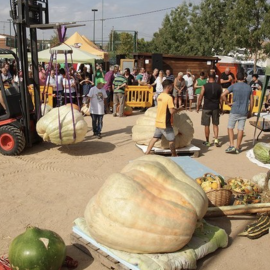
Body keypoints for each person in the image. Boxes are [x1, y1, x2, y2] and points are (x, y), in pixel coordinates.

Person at [145, 79, 184, 157]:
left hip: (159, 121)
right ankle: (174, 155)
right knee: (172, 140)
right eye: (172, 87)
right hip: (165, 123)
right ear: (169, 87)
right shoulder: (169, 98)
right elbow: (171, 111)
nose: (172, 88)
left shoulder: (159, 96)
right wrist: (179, 109)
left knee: (155, 138)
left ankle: (147, 152)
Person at [221, 72, 254, 154]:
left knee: (230, 127)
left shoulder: (233, 86)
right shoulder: (248, 87)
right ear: (244, 77)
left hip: (234, 110)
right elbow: (252, 101)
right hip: (244, 111)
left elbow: (222, 95)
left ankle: (232, 145)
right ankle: (238, 147)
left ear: (236, 77)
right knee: (240, 129)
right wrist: (250, 111)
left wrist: (228, 103)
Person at [196, 73, 223, 147]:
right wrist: (221, 108)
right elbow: (221, 98)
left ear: (208, 77)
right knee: (215, 124)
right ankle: (216, 139)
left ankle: (207, 141)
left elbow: (200, 97)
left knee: (206, 125)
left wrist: (198, 107)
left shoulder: (204, 86)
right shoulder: (219, 86)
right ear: (215, 78)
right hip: (215, 107)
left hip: (206, 107)